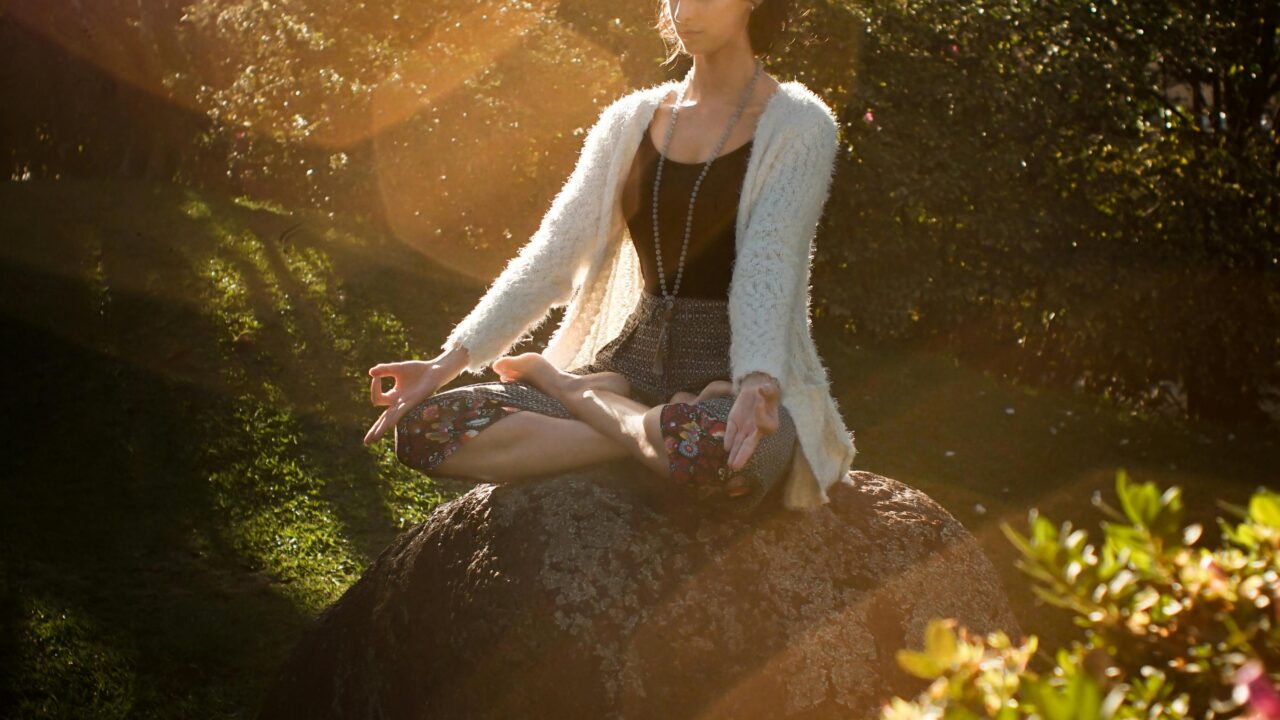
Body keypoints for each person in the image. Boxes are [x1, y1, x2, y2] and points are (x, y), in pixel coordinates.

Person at [364, 0, 858, 514]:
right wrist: (443, 365)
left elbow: (768, 266)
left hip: (731, 372)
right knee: (426, 430)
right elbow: (551, 257)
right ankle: (643, 427)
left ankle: (581, 398)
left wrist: (758, 380)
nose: (684, 10)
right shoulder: (629, 121)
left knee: (721, 456)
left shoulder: (801, 126)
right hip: (631, 360)